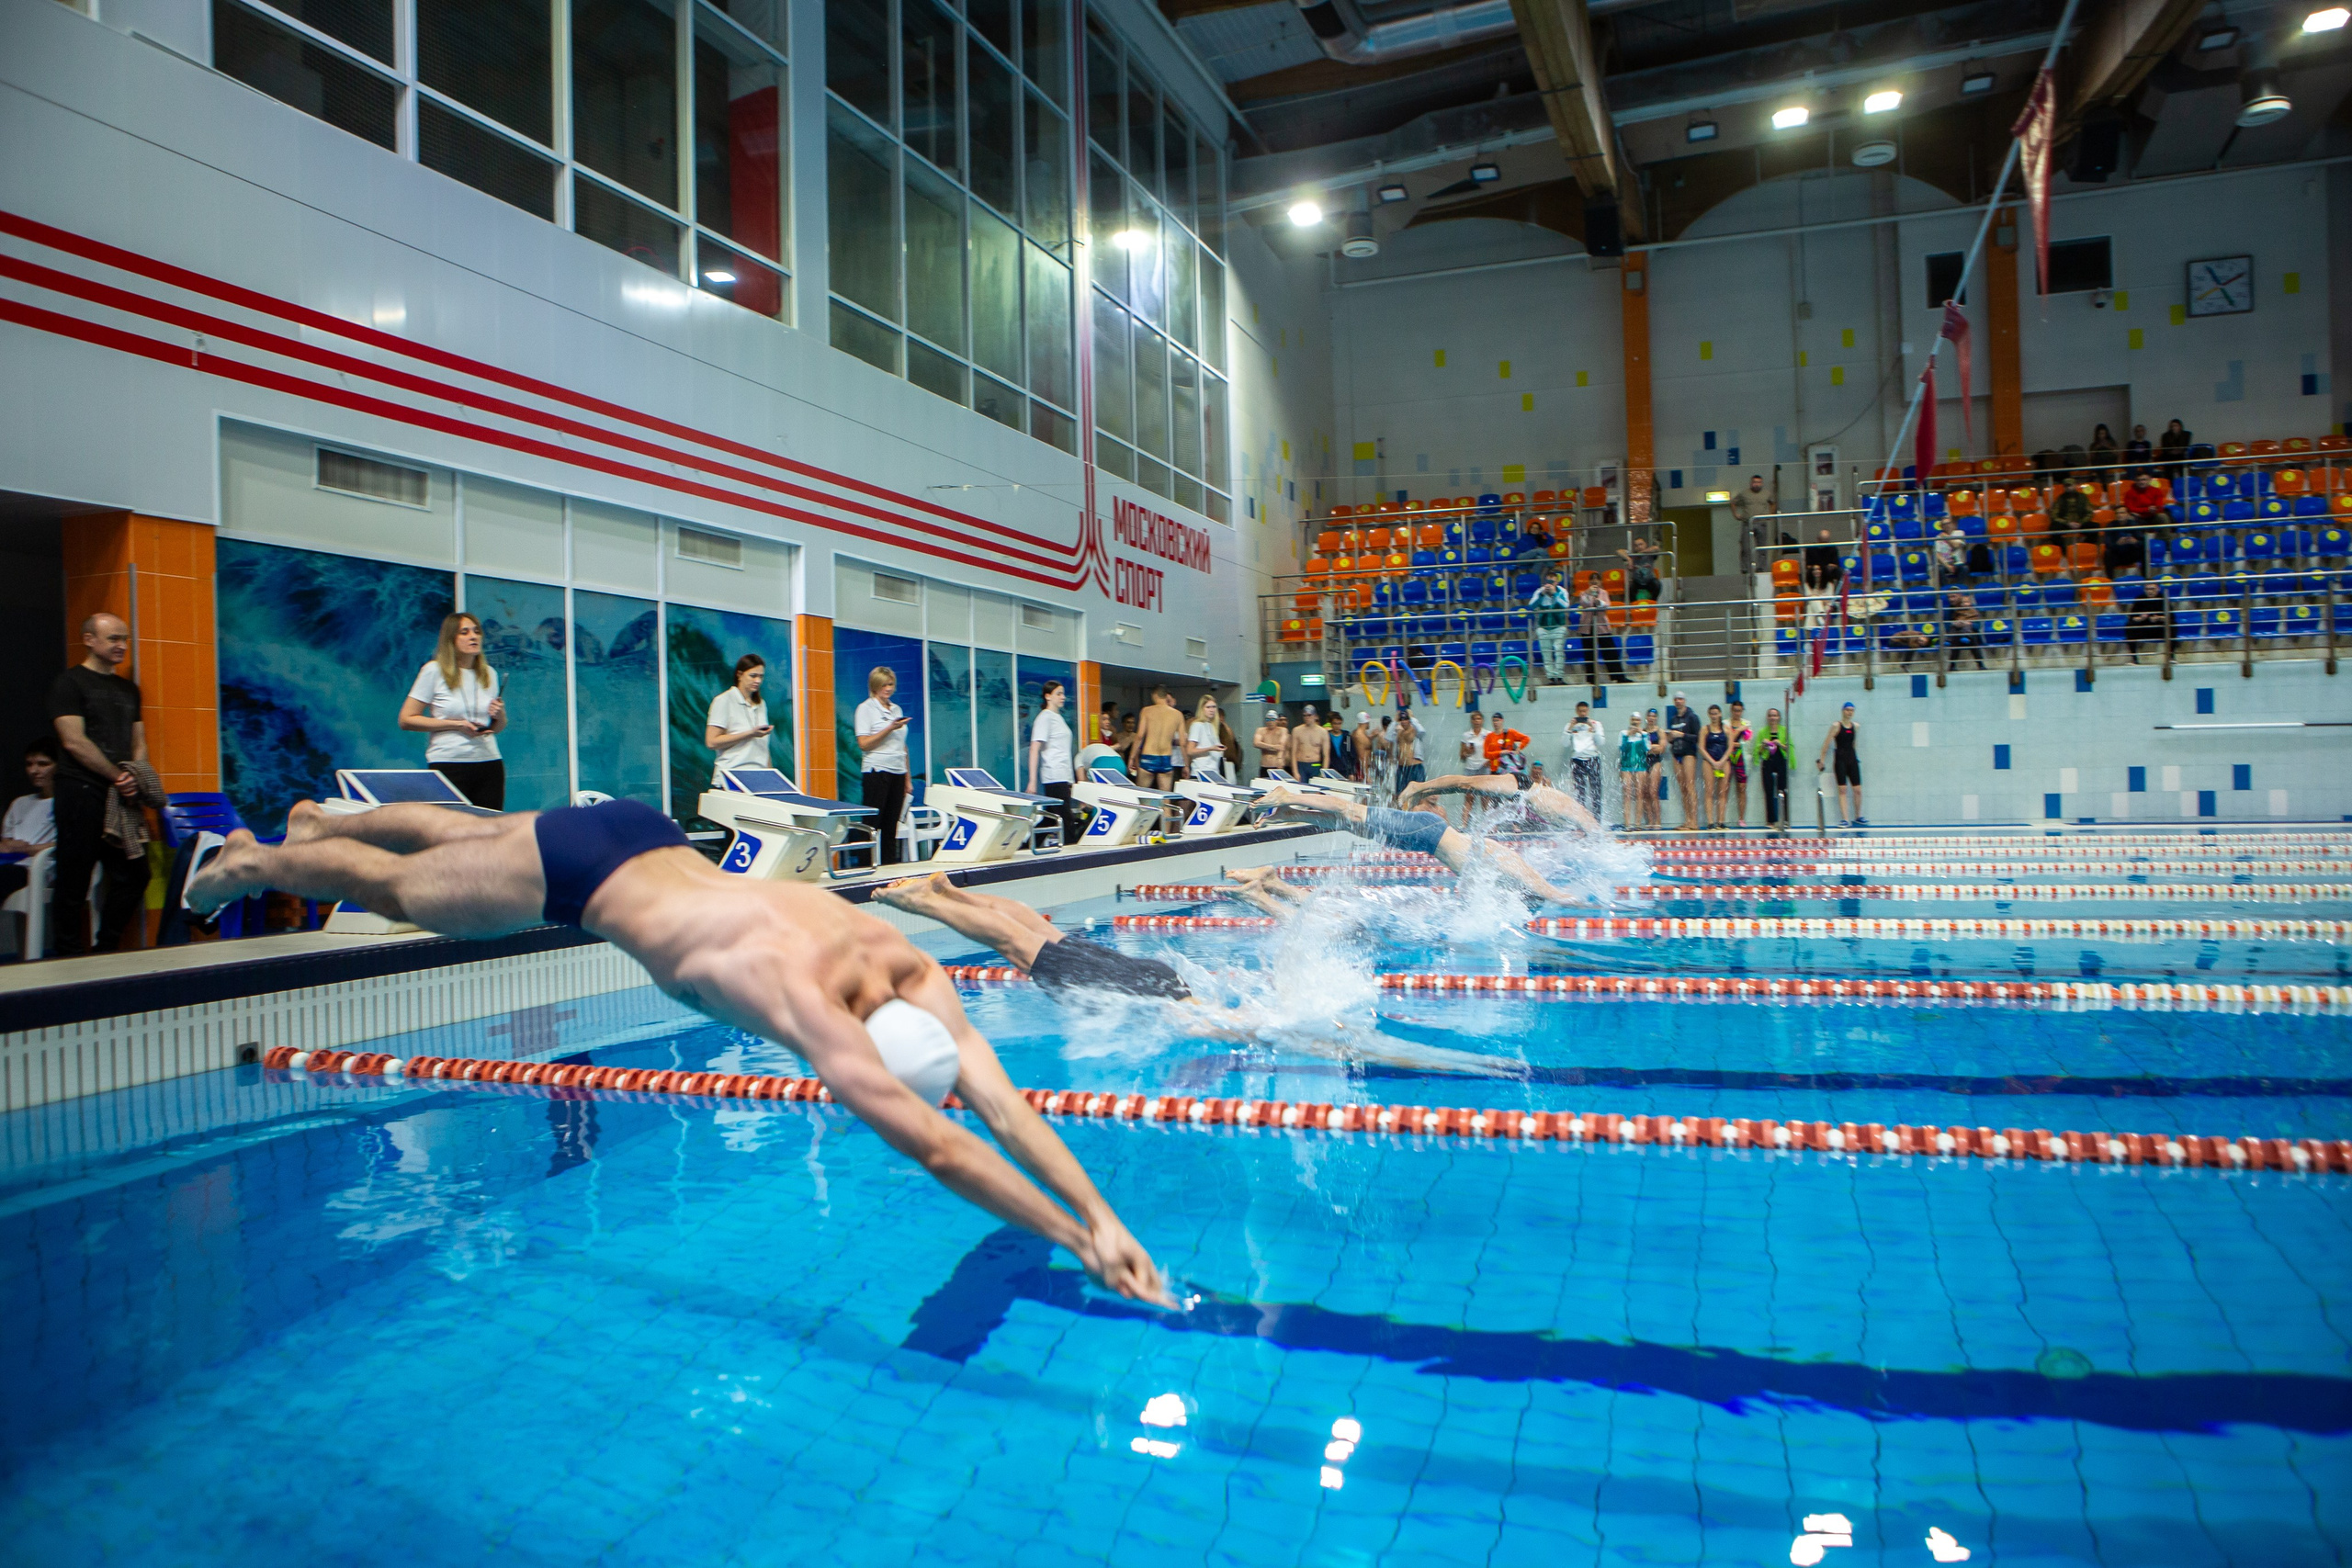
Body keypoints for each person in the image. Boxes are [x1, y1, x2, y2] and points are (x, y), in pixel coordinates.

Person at [187, 797, 1170, 1300]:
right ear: (863, 1051)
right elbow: (945, 1144)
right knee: (404, 892)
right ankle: (254, 859)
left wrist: (1101, 1212)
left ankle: (325, 819)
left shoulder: (902, 959)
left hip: (635, 833)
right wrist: (1079, 1241)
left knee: (470, 832)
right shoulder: (791, 996)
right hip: (589, 882)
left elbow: (1000, 1108)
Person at [1258, 784, 1572, 904]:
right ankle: (1288, 795)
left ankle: (1288, 812)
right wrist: (1572, 900)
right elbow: (1545, 888)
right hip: (1426, 833)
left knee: (1356, 826)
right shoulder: (1510, 868)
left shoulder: (1499, 878)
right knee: (1350, 811)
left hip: (1424, 838)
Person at [49, 612, 152, 954]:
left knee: (136, 875)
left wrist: (136, 775)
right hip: (80, 790)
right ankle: (65, 955)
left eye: (125, 639)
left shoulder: (128, 689)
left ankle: (104, 948)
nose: (122, 645)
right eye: (113, 639)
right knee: (73, 878)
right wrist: (116, 776)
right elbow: (73, 741)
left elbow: (139, 739)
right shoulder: (70, 683)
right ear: (89, 640)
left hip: (120, 795)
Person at [401, 611, 507, 808]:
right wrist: (456, 725)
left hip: (489, 762)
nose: (473, 636)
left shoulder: (489, 674)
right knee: (451, 831)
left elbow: (498, 727)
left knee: (489, 831)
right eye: (464, 632)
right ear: (451, 640)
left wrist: (498, 715)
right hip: (449, 763)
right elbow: (406, 719)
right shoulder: (433, 670)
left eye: (476, 631)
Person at [2, 739, 58, 958]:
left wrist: (30, 849)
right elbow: (5, 842)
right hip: (11, 865)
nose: (34, 770)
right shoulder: (20, 803)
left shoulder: (64, 803)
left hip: (37, 870)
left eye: (43, 764)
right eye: (29, 764)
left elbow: (69, 845)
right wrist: (10, 845)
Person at [854, 667, 912, 865]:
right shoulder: (866, 709)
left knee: (891, 825)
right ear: (875, 686)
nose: (888, 689)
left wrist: (907, 779)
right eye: (884, 685)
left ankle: (889, 866)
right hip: (877, 771)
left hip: (897, 771)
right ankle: (864, 866)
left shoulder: (896, 709)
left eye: (891, 684)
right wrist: (889, 728)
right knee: (872, 823)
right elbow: (864, 744)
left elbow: (902, 746)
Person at [704, 654, 775, 781]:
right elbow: (711, 741)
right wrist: (750, 734)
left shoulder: (761, 704)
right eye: (753, 676)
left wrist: (771, 776)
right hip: (731, 776)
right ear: (740, 674)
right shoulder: (724, 700)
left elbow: (764, 747)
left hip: (759, 777)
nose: (758, 681)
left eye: (761, 676)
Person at [1025, 678, 1077, 842]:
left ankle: (1028, 845)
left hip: (1063, 774)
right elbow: (1034, 748)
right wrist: (1032, 781)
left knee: (1052, 817)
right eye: (1059, 694)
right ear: (1048, 696)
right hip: (1054, 774)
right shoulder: (1045, 717)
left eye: (1063, 694)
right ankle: (1072, 854)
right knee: (1065, 818)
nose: (1063, 697)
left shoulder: (1057, 717)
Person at [1818, 702, 1864, 828]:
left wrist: (1856, 758)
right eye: (1847, 710)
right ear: (1842, 711)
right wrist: (1821, 760)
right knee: (1842, 789)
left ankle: (1858, 816)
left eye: (1852, 710)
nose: (1850, 712)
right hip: (1840, 760)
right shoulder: (1836, 726)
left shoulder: (1856, 726)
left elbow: (1854, 744)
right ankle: (1845, 819)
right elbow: (1826, 744)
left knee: (1858, 790)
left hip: (1852, 759)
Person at [1134, 688, 1185, 791]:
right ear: (1166, 696)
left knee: (1141, 796)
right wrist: (1187, 765)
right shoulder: (1178, 714)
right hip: (1166, 758)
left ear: (1154, 695)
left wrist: (1132, 757)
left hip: (1149, 756)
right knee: (1165, 799)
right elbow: (1183, 743)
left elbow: (1139, 736)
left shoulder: (1146, 711)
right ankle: (1166, 808)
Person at [1528, 570, 1574, 682]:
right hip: (1543, 627)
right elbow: (1532, 606)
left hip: (1559, 626)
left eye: (1552, 582)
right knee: (1546, 653)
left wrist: (1555, 594)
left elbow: (1565, 606)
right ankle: (1551, 677)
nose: (1550, 584)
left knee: (1559, 651)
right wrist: (1542, 595)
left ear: (1556, 582)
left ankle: (1559, 676)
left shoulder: (1562, 592)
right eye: (1548, 581)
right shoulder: (1539, 592)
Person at [1665, 693, 1701, 831]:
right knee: (1683, 788)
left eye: (1680, 699)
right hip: (1676, 754)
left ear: (1684, 701)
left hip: (1688, 754)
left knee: (1690, 787)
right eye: (1676, 699)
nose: (1678, 702)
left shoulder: (1692, 717)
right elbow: (1672, 737)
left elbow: (1698, 737)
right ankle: (1687, 820)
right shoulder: (1673, 719)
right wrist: (1670, 738)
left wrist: (1681, 735)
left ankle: (1694, 821)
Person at [1729, 473, 1778, 574]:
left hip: (1761, 523)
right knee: (1745, 547)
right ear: (1751, 483)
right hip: (1748, 523)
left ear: (1762, 483)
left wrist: (1770, 515)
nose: (1757, 484)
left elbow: (1773, 503)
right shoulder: (1744, 494)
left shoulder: (1767, 493)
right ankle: (1745, 568)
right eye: (1755, 482)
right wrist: (1736, 514)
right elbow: (1733, 502)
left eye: (1759, 482)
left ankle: (1761, 568)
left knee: (1762, 548)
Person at [1753, 709, 1792, 834]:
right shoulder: (1762, 732)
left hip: (1780, 761)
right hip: (1768, 761)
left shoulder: (1784, 731)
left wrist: (1780, 744)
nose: (1772, 718)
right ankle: (1770, 820)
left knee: (1783, 790)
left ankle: (1785, 819)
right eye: (1770, 715)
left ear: (1779, 717)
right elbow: (1757, 751)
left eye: (1775, 715)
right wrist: (1763, 745)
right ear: (1767, 718)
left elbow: (1789, 748)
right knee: (1768, 790)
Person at [1564, 703, 1605, 819]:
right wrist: (1570, 729)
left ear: (1588, 711)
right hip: (1577, 760)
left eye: (1585, 711)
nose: (1583, 714)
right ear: (1576, 711)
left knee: (1596, 792)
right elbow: (1565, 743)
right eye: (1580, 711)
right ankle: (1581, 821)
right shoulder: (1570, 725)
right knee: (1580, 792)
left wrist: (1593, 729)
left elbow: (1601, 742)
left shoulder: (1596, 724)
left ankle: (1597, 820)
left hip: (1593, 759)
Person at [1580, 578, 1625, 682]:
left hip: (1602, 626)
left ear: (1600, 582)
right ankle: (1591, 679)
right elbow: (1584, 603)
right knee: (1589, 654)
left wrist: (1598, 601)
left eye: (1596, 582)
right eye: (1592, 582)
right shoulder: (1584, 593)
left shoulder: (1604, 592)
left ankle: (1618, 677)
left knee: (1610, 651)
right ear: (1589, 583)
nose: (1594, 584)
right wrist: (1588, 593)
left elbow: (1606, 605)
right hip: (1587, 626)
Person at [1700, 705, 1732, 830]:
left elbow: (1730, 747)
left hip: (1723, 762)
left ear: (1720, 714)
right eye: (1711, 714)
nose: (1714, 716)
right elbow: (1701, 747)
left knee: (1722, 792)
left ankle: (1721, 821)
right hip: (1709, 762)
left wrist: (1722, 761)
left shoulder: (1727, 729)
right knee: (1709, 791)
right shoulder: (1705, 730)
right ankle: (1710, 822)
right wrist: (1713, 762)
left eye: (1716, 714)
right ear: (1709, 715)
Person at [1616, 716, 1650, 831]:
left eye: (1637, 720)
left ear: (1640, 722)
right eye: (1633, 720)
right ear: (1630, 720)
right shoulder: (1623, 733)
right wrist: (1628, 735)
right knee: (1627, 794)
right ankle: (1627, 823)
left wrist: (1643, 734)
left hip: (1640, 767)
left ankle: (1638, 823)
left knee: (1640, 794)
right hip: (1626, 767)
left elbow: (1647, 749)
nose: (1635, 722)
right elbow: (1622, 749)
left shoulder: (1644, 734)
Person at [1183, 694, 1227, 782]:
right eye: (1208, 707)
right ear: (1202, 708)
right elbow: (1190, 750)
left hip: (1213, 772)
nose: (1212, 710)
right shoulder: (1197, 725)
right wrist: (1210, 748)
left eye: (1214, 707)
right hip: (1201, 772)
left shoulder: (1212, 725)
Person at [1725, 701, 1753, 828]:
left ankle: (1741, 818)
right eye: (1735, 710)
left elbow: (1748, 743)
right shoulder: (1725, 724)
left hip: (1741, 759)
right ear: (1731, 710)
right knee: (1724, 788)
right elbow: (1725, 741)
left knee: (1742, 788)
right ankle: (1722, 818)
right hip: (1727, 757)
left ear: (1742, 711)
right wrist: (1738, 734)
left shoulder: (1746, 724)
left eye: (1739, 710)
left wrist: (1735, 743)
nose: (1737, 713)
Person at [1288, 705, 1332, 778]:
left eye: (1309, 715)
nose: (1307, 718)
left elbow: (1326, 755)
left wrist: (1324, 771)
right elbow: (1293, 753)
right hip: (1301, 764)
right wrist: (1295, 772)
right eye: (1304, 715)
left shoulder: (1323, 732)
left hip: (1315, 765)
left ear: (1315, 716)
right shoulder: (1296, 731)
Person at [1390, 710, 1426, 799]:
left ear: (1410, 720)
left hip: (1415, 767)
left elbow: (1422, 731)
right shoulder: (1399, 732)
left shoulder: (1415, 731)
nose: (1403, 721)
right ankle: (1401, 813)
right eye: (1401, 719)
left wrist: (1412, 718)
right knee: (1400, 795)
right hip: (1402, 768)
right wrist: (1394, 721)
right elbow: (1388, 737)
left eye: (1406, 719)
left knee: (1418, 795)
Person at [1947, 593, 1987, 670]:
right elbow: (1947, 624)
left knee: (1973, 638)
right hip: (1957, 631)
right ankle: (1952, 665)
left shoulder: (1974, 610)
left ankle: (1980, 664)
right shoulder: (1951, 610)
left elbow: (1978, 625)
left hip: (1970, 631)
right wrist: (1956, 624)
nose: (1951, 599)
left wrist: (1970, 623)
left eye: (1953, 596)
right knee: (1955, 639)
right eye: (1949, 597)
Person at [1619, 538, 1663, 603]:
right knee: (1629, 586)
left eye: (1641, 544)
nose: (1639, 547)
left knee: (1657, 584)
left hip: (1649, 581)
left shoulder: (1650, 554)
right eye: (1636, 545)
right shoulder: (1632, 555)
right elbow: (1619, 551)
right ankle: (1633, 605)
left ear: (1646, 544)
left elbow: (1656, 548)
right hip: (1637, 582)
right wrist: (1629, 559)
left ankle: (1653, 603)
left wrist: (1642, 553)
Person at [1251, 710, 1290, 778]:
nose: (1270, 722)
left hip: (1277, 766)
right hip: (1264, 765)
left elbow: (1281, 746)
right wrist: (1274, 746)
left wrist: (1279, 758)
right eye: (1268, 719)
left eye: (1272, 719)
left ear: (1277, 720)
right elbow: (1256, 743)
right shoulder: (1260, 730)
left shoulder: (1283, 730)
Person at [1933, 519, 1968, 583]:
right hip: (1945, 564)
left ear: (1952, 524)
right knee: (1940, 570)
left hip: (1958, 563)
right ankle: (1945, 590)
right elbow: (1937, 554)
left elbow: (1956, 545)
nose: (1947, 526)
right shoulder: (1938, 537)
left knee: (1964, 568)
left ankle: (1958, 589)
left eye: (1948, 523)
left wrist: (1945, 537)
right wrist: (1947, 566)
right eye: (1944, 524)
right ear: (1941, 527)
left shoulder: (1959, 533)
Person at [1349, 713, 1375, 784]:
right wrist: (1366, 775)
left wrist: (1371, 737)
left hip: (1364, 768)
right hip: (1362, 770)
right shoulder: (1359, 735)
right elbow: (1362, 757)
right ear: (1366, 722)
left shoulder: (1361, 734)